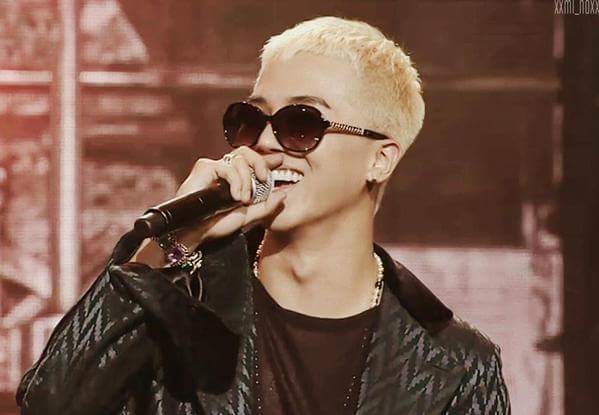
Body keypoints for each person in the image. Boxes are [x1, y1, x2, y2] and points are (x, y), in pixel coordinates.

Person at [16, 16, 510, 415]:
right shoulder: (179, 307)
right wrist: (172, 244)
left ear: (380, 159)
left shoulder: (457, 364)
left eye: (302, 122)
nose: (268, 142)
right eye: (251, 120)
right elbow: (51, 403)